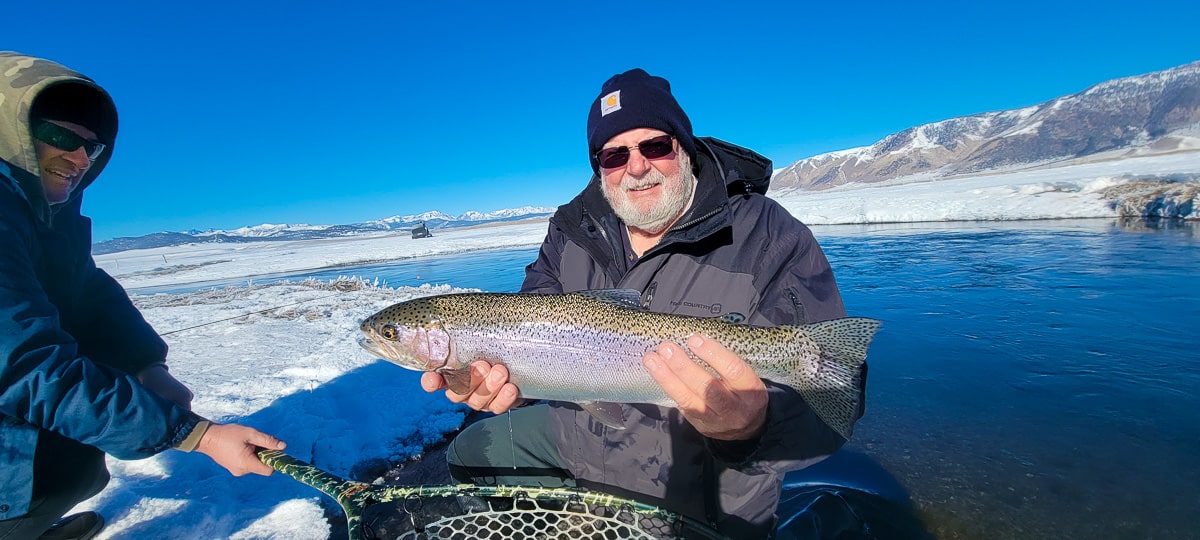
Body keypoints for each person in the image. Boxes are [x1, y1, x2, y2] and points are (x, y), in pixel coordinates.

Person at [421, 68, 862, 537]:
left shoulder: (769, 236)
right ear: (599, 167)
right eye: (614, 155)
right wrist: (511, 382)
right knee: (470, 450)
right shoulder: (571, 230)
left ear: (684, 148)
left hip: (702, 491)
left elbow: (830, 411)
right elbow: (536, 331)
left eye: (655, 146)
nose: (636, 167)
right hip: (584, 449)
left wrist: (750, 427)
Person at [0, 52, 286, 540]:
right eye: (64, 138)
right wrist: (198, 435)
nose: (80, 159)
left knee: (65, 468)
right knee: (37, 481)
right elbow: (26, 368)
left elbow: (88, 294)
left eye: (93, 148)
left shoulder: (44, 215)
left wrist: (145, 365)